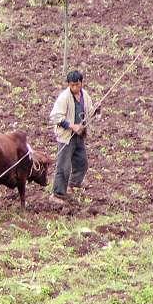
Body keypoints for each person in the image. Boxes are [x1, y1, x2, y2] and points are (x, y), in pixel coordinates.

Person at [48, 70, 95, 206]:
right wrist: (72, 126)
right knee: (64, 167)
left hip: (79, 136)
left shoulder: (85, 95)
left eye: (77, 84)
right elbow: (55, 117)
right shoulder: (64, 98)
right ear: (69, 84)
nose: (75, 88)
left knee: (82, 163)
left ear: (81, 83)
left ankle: (73, 185)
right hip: (66, 137)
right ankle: (57, 194)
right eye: (72, 85)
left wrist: (95, 110)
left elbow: (89, 112)